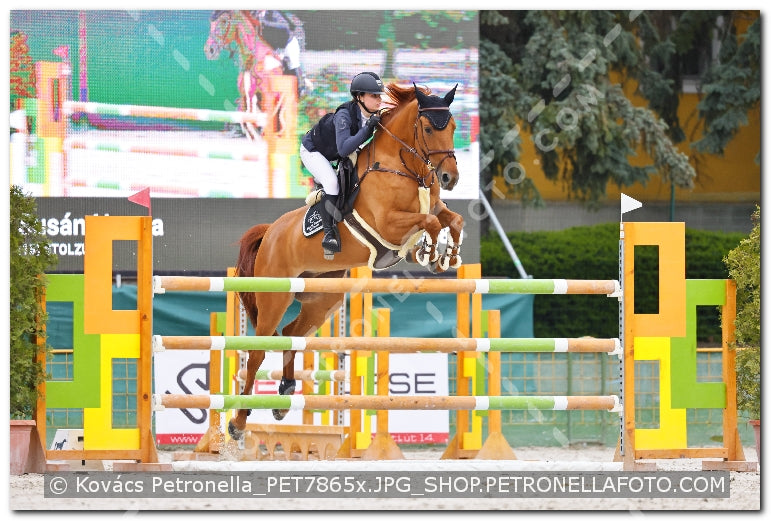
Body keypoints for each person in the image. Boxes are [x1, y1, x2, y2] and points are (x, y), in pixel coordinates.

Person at [300, 72, 387, 255]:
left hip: (334, 153)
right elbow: (344, 149)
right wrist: (368, 129)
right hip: (313, 151)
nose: (379, 100)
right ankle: (329, 234)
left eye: (379, 95)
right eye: (374, 96)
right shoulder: (344, 116)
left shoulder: (372, 113)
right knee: (331, 183)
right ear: (359, 97)